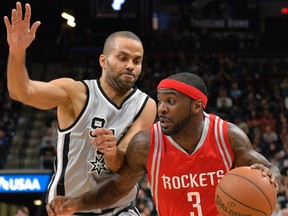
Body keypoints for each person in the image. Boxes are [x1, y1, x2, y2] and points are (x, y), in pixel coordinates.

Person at [46, 72, 281, 216]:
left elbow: (271, 169)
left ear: (197, 106)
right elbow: (118, 188)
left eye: (171, 101)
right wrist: (77, 203)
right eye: (160, 101)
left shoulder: (227, 136)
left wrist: (269, 175)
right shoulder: (146, 143)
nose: (161, 108)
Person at [4, 2, 157, 215]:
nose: (131, 65)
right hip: (68, 207)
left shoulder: (146, 105)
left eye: (137, 60)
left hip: (118, 208)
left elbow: (121, 168)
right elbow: (22, 92)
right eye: (122, 58)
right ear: (103, 61)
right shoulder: (74, 92)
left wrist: (112, 153)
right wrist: (17, 51)